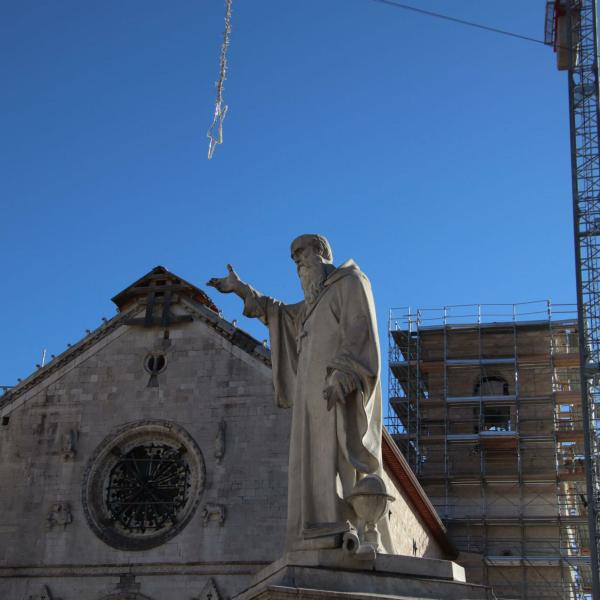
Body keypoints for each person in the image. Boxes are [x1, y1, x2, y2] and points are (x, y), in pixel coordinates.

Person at [208, 234, 390, 551]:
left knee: (336, 459)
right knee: (311, 462)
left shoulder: (351, 282)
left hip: (337, 392)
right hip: (309, 400)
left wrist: (344, 374)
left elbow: (360, 328)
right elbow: (276, 313)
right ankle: (316, 527)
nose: (297, 264)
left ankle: (347, 527)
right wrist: (240, 289)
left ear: (321, 252)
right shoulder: (309, 305)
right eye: (294, 260)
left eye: (301, 255)